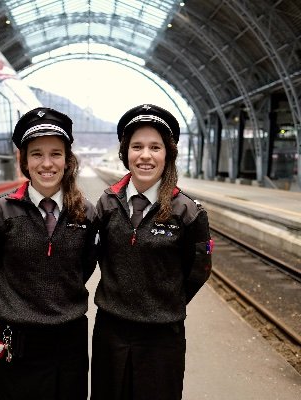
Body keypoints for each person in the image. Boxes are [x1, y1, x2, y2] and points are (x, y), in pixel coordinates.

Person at [91, 104, 213, 400]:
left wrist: (165, 299)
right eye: (137, 146)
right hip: (111, 331)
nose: (145, 155)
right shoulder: (107, 204)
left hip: (162, 336)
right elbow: (93, 255)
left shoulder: (188, 212)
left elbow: (199, 269)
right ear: (125, 153)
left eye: (155, 147)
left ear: (167, 154)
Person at [0, 107, 99, 400]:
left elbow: (85, 266)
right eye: (36, 154)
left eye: (56, 153)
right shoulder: (1, 212)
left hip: (69, 340)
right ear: (25, 160)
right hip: (17, 338)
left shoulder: (85, 213)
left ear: (67, 160)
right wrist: (20, 303)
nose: (47, 163)